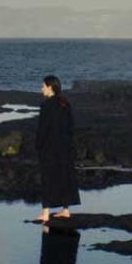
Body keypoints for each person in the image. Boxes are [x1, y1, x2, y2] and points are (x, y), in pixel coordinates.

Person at [35, 75, 80, 223]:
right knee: (65, 176)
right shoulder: (65, 103)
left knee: (48, 178)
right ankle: (66, 210)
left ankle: (46, 213)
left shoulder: (47, 105)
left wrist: (38, 145)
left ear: (50, 87)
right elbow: (71, 127)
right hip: (65, 147)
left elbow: (43, 129)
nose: (41, 89)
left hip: (50, 147)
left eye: (43, 86)